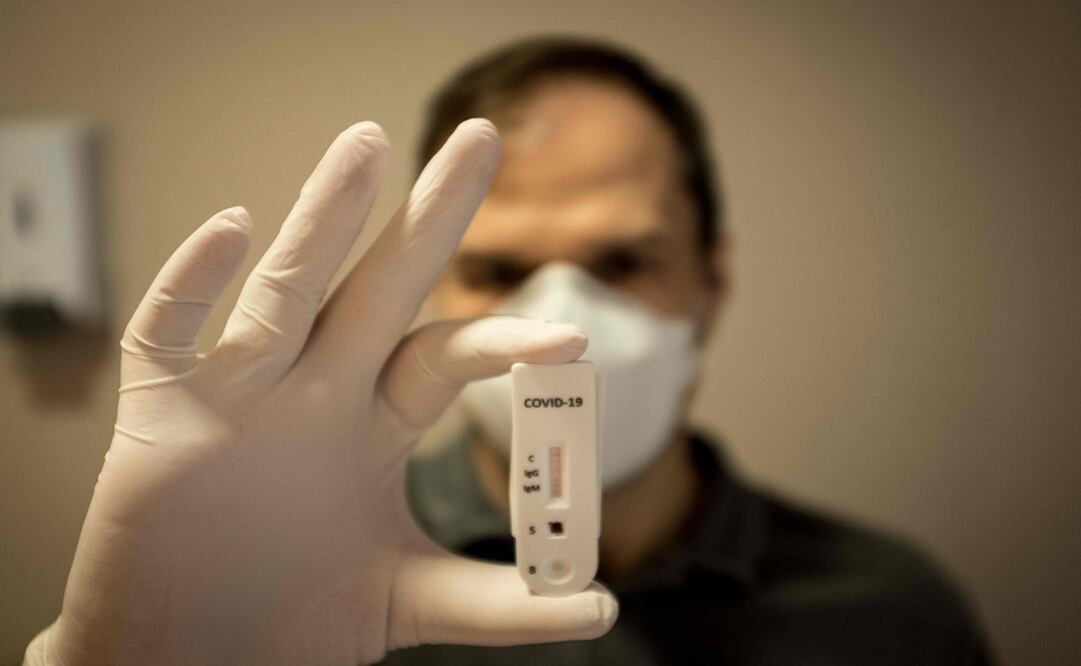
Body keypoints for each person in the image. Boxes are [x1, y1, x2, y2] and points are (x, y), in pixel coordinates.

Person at [25, 37, 990, 665]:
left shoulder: (894, 611)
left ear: (712, 278)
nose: (563, 316)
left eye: (622, 259)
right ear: (438, 287)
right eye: (498, 271)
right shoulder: (302, 575)